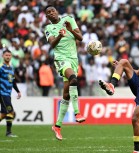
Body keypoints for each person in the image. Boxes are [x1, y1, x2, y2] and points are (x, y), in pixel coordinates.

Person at [44, 5, 86, 141]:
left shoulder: (69, 19)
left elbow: (80, 38)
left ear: (57, 12)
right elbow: (52, 44)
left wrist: (70, 30)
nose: (51, 13)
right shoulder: (48, 28)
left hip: (74, 59)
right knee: (73, 79)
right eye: (48, 13)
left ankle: (57, 126)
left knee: (66, 94)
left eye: (53, 11)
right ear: (47, 17)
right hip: (61, 59)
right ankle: (77, 113)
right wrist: (60, 36)